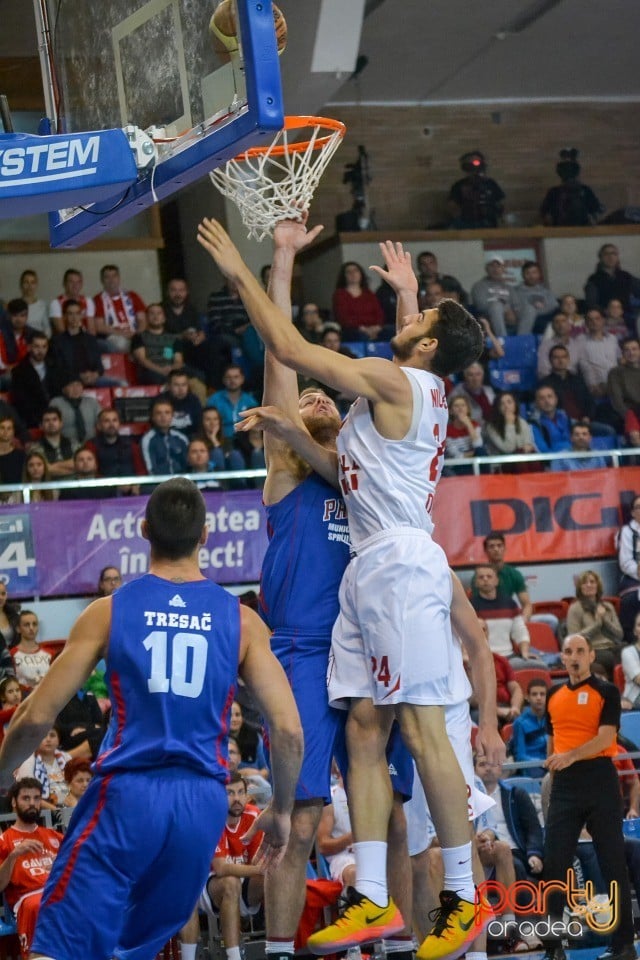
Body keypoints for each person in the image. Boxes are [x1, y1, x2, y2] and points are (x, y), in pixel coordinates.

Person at [198, 218, 486, 959]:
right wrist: (409, 296)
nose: (409, 324)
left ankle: (464, 897)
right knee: (366, 724)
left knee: (417, 732)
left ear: (424, 347)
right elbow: (399, 361)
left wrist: (246, 270)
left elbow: (300, 351)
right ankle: (371, 901)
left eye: (416, 321)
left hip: (398, 568)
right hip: (361, 587)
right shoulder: (347, 444)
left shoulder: (393, 388)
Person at [0, 477, 303, 960]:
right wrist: (283, 810)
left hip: (127, 795)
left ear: (143, 529)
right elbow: (287, 730)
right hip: (201, 805)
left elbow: (37, 717)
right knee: (130, 948)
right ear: (205, 535)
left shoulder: (109, 611)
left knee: (58, 945)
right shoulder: (241, 621)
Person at [541, 633, 635, 960]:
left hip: (600, 781)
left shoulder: (606, 691)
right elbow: (553, 746)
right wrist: (558, 763)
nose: (575, 656)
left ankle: (624, 945)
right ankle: (553, 948)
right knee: (554, 866)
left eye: (581, 650)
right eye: (569, 651)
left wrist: (570, 756)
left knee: (613, 865)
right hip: (565, 787)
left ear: (591, 655)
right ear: (562, 658)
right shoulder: (553, 694)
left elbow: (605, 737)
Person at [180, 773, 266, 960]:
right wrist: (261, 869)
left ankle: (281, 947)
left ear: (247, 795)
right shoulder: (211, 817)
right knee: (230, 883)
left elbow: (257, 862)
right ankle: (234, 957)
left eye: (240, 792)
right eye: (230, 793)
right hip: (200, 882)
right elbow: (220, 868)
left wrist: (265, 871)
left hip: (239, 880)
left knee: (276, 879)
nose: (236, 799)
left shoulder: (253, 815)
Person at [0, 778, 64, 958]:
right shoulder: (5, 840)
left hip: (59, 891)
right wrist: (14, 855)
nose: (32, 803)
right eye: (26, 798)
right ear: (14, 802)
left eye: (36, 798)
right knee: (40, 903)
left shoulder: (54, 836)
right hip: (28, 898)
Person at [566, 570, 624, 679]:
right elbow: (573, 639)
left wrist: (605, 620)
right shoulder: (575, 608)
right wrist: (597, 624)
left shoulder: (607, 606)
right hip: (591, 650)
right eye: (585, 582)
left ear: (598, 585)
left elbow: (619, 634)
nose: (589, 585)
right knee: (608, 658)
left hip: (612, 647)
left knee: (629, 653)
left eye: (592, 582)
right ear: (580, 587)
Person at [540, 149, 603, 227]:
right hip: (559, 233)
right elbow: (544, 214)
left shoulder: (585, 191)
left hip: (583, 233)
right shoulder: (554, 192)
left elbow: (597, 210)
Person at [93, 263, 146, 351]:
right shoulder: (98, 300)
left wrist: (137, 334)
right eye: (107, 277)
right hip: (114, 336)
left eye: (114, 276)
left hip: (135, 334)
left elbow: (142, 320)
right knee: (121, 344)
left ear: (119, 278)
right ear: (102, 280)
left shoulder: (132, 296)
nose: (111, 280)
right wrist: (122, 334)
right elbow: (99, 326)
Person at [15, 727, 72, 809]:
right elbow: (29, 797)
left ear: (59, 739)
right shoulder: (27, 764)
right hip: (43, 814)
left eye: (52, 735)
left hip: (70, 808)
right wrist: (57, 811)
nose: (48, 739)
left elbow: (78, 786)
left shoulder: (67, 758)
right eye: (43, 736)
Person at [10, 332, 58, 429]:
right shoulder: (19, 371)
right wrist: (38, 421)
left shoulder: (55, 367)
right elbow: (21, 402)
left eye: (44, 347)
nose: (41, 351)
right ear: (29, 347)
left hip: (56, 417)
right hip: (32, 421)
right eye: (37, 346)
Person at [447, 151, 505, 230]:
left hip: (489, 224)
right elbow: (452, 207)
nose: (474, 170)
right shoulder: (459, 186)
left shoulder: (490, 184)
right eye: (468, 166)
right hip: (465, 225)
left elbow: (501, 204)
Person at [130, 303, 184, 385]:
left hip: (170, 371)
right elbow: (142, 360)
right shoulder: (139, 337)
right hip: (149, 372)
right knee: (164, 380)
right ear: (147, 318)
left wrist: (171, 368)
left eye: (159, 313)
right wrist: (160, 370)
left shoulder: (173, 338)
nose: (156, 316)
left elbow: (178, 360)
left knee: (196, 377)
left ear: (164, 318)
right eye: (152, 313)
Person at [332, 261, 386, 341]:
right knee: (360, 336)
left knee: (391, 332)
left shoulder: (369, 293)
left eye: (355, 271)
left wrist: (377, 327)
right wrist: (362, 328)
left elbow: (379, 313)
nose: (353, 274)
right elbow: (343, 318)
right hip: (353, 330)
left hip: (374, 328)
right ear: (344, 276)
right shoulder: (340, 295)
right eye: (349, 272)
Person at [584, 244, 640, 316]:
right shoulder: (594, 279)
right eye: (606, 254)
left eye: (614, 254)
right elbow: (591, 303)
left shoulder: (626, 276)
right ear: (600, 257)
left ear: (617, 257)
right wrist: (605, 311)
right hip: (605, 318)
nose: (610, 257)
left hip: (627, 318)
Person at [140, 397, 189, 475]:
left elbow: (188, 465)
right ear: (153, 417)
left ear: (172, 416)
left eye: (167, 412)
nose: (163, 416)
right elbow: (150, 469)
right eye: (159, 413)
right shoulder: (147, 439)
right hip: (159, 484)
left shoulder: (181, 438)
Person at [510, 678, 548, 778]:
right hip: (531, 768)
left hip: (550, 764)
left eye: (542, 694)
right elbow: (521, 757)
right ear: (527, 697)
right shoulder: (520, 723)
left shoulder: (553, 719)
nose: (539, 698)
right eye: (534, 694)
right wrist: (542, 763)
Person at [483, 391, 537, 460]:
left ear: (515, 405)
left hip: (522, 460)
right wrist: (509, 424)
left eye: (509, 402)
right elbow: (509, 449)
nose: (506, 406)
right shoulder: (491, 426)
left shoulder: (522, 422)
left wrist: (526, 447)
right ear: (498, 408)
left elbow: (528, 444)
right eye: (502, 404)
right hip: (501, 465)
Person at [470, 257, 516, 338]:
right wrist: (505, 310)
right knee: (496, 306)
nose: (495, 269)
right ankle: (503, 340)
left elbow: (517, 305)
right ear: (486, 269)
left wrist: (514, 313)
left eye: (498, 266)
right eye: (492, 266)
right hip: (489, 318)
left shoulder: (509, 288)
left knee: (528, 310)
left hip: (510, 318)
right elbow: (481, 305)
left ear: (503, 269)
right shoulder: (479, 286)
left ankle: (524, 339)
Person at [510, 261, 558, 336]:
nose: (531, 276)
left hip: (543, 321)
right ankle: (522, 341)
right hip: (523, 321)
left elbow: (553, 306)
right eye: (528, 273)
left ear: (539, 274)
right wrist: (533, 310)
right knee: (529, 310)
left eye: (534, 272)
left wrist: (535, 311)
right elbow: (517, 310)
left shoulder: (546, 291)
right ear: (522, 275)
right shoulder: (515, 292)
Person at [617, 493, 640, 642]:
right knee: (632, 599)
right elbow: (625, 563)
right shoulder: (626, 531)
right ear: (632, 512)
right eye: (638, 507)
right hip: (633, 579)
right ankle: (631, 640)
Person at [10, 610, 51, 692]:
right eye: (26, 625)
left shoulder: (50, 653)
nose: (31, 628)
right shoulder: (11, 654)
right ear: (18, 629)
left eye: (34, 624)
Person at [49, 268, 96, 336]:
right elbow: (61, 331)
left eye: (78, 282)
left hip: (85, 340)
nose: (75, 285)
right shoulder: (56, 303)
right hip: (66, 341)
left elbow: (91, 329)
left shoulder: (88, 301)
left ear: (81, 284)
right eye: (71, 282)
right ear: (64, 284)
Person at [36, 407, 75, 479]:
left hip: (74, 486)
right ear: (41, 426)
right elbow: (40, 470)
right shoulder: (35, 448)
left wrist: (51, 466)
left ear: (61, 423)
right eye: (47, 420)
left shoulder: (74, 444)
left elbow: (80, 464)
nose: (51, 423)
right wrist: (72, 469)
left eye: (54, 419)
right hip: (48, 488)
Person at [19, 270, 49, 339]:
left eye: (32, 282)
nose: (29, 286)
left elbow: (47, 329)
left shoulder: (43, 305)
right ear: (21, 284)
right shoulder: (15, 305)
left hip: (39, 344)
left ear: (36, 285)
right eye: (26, 282)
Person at [621, 610, 640, 710]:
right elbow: (639, 679)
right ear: (634, 631)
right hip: (634, 698)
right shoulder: (628, 652)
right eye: (639, 625)